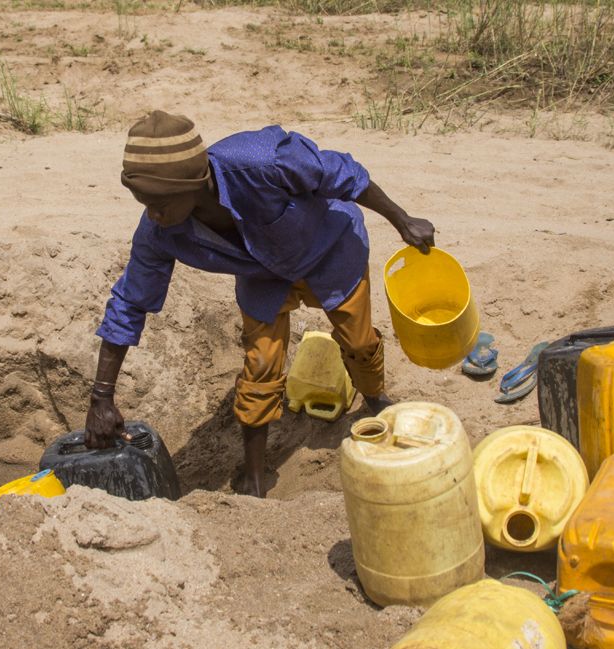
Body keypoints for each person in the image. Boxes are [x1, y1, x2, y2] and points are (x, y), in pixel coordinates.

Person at [84, 110, 434, 497]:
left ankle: (373, 396)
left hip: (331, 248)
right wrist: (102, 395)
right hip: (264, 279)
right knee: (261, 362)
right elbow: (130, 302)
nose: (152, 214)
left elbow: (345, 173)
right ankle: (254, 474)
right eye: (144, 202)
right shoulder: (159, 231)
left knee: (358, 341)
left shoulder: (263, 160)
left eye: (160, 203)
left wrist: (402, 220)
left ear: (195, 184)